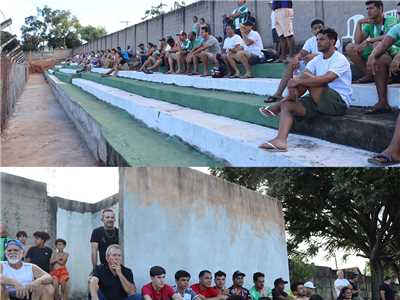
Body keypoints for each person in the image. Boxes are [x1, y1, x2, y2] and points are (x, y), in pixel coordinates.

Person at [259, 28, 352, 152]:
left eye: (322, 39)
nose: (318, 42)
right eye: (317, 40)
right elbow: (304, 76)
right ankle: (281, 140)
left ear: (332, 41)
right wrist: (293, 85)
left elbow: (326, 79)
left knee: (306, 79)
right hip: (317, 99)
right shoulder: (317, 60)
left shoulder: (340, 59)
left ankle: (278, 104)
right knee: (288, 105)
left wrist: (298, 81)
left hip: (337, 102)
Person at [266, 19, 341, 103]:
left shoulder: (331, 38)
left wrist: (312, 56)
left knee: (303, 76)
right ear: (312, 30)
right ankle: (278, 94)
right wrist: (296, 59)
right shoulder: (310, 41)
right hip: (313, 64)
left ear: (324, 28)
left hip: (329, 64)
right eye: (315, 28)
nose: (317, 30)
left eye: (319, 27)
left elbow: (330, 52)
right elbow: (301, 53)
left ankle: (290, 98)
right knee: (292, 64)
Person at [346, 1, 399, 90]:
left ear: (380, 9)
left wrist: (369, 40)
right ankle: (369, 74)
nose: (368, 11)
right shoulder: (370, 23)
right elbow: (357, 40)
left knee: (377, 44)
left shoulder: (390, 19)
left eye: (371, 8)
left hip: (393, 49)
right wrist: (359, 23)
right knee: (350, 47)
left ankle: (390, 76)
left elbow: (388, 36)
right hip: (377, 49)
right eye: (367, 9)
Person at [366, 20, 400, 114]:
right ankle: (382, 103)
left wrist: (398, 56)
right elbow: (383, 44)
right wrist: (372, 56)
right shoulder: (397, 27)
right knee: (379, 58)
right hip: (395, 66)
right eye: (399, 13)